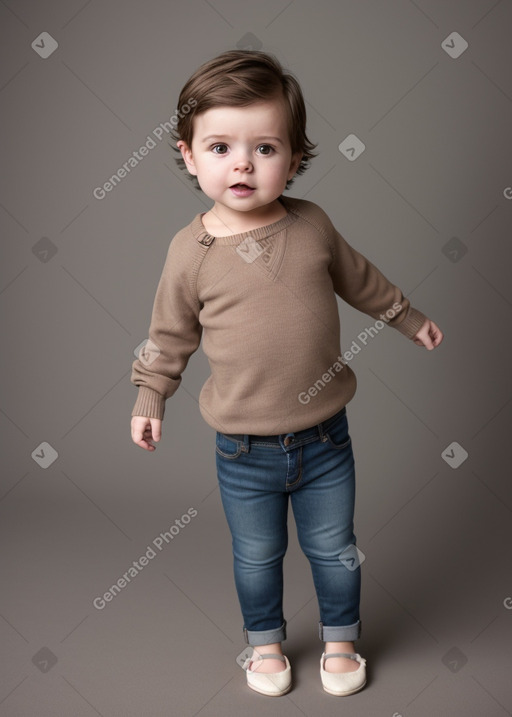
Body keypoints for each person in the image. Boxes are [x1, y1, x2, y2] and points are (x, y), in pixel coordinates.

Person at [130, 49, 443, 698]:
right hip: (242, 449)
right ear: (189, 155)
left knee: (335, 547)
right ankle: (265, 643)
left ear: (296, 158)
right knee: (257, 555)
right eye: (220, 146)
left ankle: (340, 640)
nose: (242, 163)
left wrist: (407, 317)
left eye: (265, 147)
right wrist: (149, 395)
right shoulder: (190, 252)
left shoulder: (312, 226)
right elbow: (168, 337)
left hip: (326, 438)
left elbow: (362, 280)